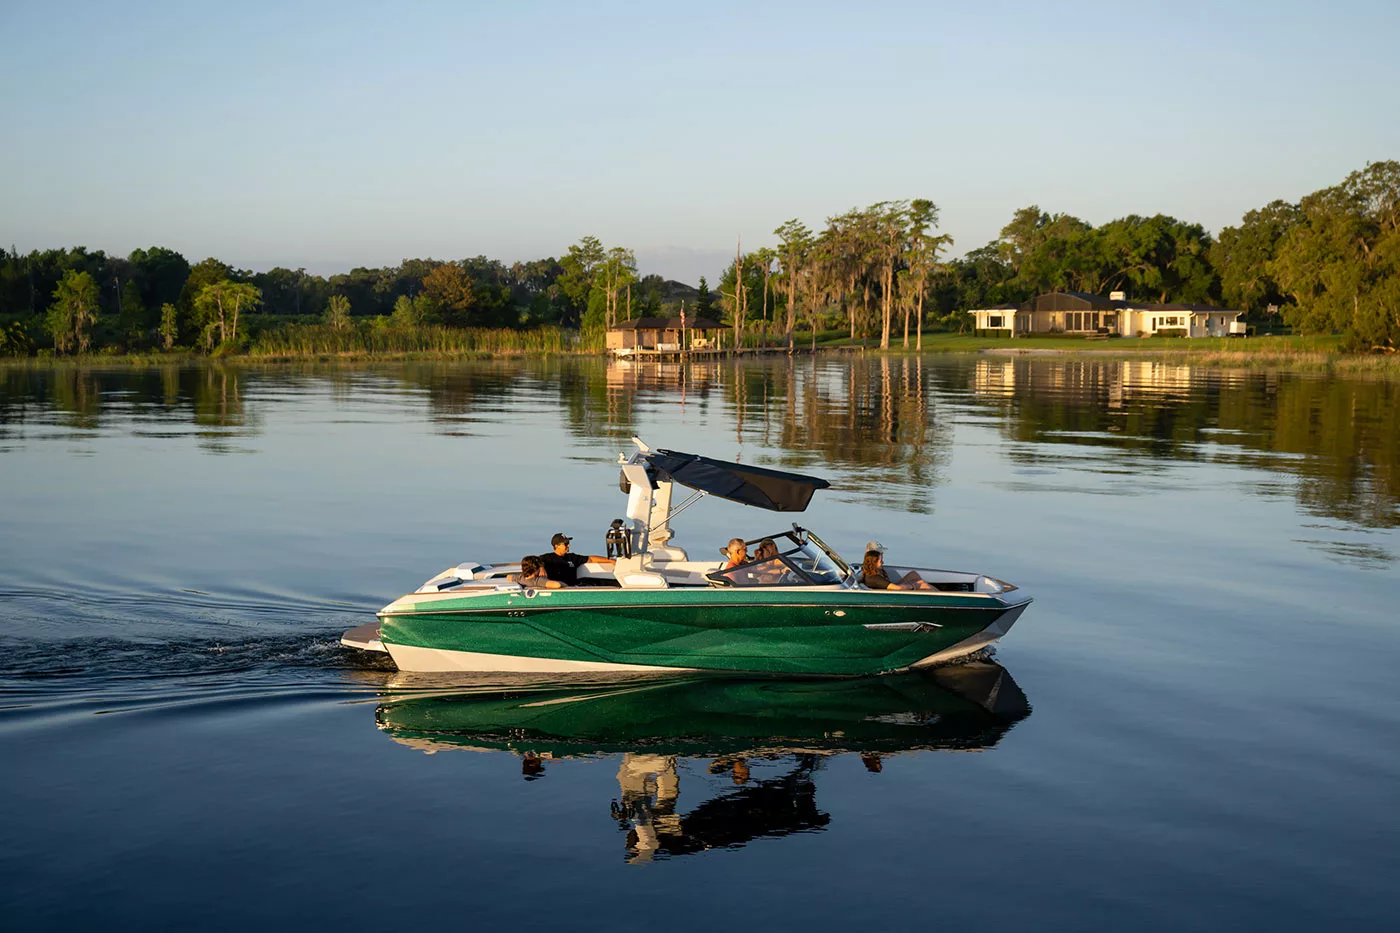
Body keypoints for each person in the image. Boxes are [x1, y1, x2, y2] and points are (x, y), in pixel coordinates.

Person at [538, 532, 614, 585]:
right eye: (566, 544)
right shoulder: (548, 558)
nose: (568, 546)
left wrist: (610, 561)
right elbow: (533, 560)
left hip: (574, 587)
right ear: (557, 546)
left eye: (568, 543)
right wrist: (541, 567)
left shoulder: (572, 557)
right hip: (559, 589)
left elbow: (591, 559)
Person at [861, 548, 934, 591]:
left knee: (913, 574)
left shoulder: (874, 572)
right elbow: (897, 588)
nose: (883, 562)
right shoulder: (874, 578)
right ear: (873, 563)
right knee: (923, 585)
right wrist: (914, 585)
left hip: (891, 588)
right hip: (892, 593)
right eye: (880, 561)